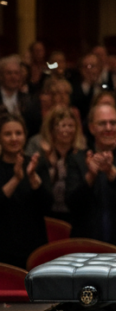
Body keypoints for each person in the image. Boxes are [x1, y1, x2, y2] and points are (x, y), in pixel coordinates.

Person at [65, 103, 116, 253]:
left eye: (113, 123)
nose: (109, 128)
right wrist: (90, 176)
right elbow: (71, 202)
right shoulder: (77, 159)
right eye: (102, 123)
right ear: (91, 128)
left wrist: (112, 173)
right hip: (86, 248)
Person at [0, 113, 51, 269]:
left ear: (25, 136)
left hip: (33, 244)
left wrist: (33, 178)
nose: (14, 138)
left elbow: (47, 205)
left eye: (18, 133)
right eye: (8, 134)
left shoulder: (37, 164)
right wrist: (16, 179)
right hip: (3, 245)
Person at [36, 105, 84, 223]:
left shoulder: (82, 155)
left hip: (76, 215)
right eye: (61, 125)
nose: (66, 130)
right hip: (48, 215)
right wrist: (50, 163)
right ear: (52, 129)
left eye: (70, 126)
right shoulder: (41, 157)